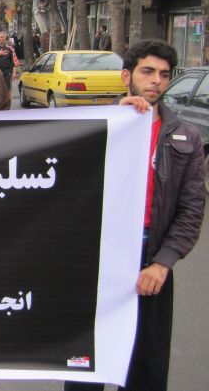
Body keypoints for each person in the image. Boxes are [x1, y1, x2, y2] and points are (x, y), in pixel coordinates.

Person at [64, 40, 205, 391]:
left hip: (150, 260)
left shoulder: (185, 137)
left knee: (146, 363)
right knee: (87, 362)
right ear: (127, 76)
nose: (156, 80)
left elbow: (191, 209)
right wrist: (113, 120)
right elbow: (68, 183)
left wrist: (163, 263)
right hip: (99, 259)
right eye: (147, 71)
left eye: (164, 74)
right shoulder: (97, 125)